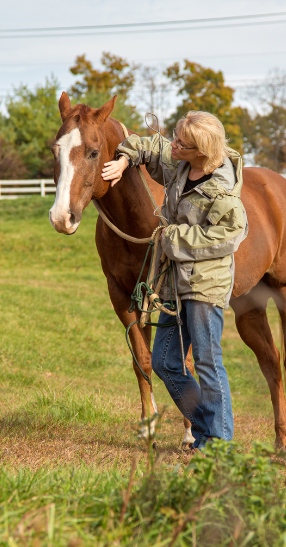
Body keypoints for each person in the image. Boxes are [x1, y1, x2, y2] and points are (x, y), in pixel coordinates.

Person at [101, 111, 248, 450]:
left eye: (183, 142)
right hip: (173, 284)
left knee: (208, 364)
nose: (175, 144)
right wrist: (125, 159)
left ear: (202, 151)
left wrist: (172, 237)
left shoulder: (220, 190)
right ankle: (205, 428)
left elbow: (231, 234)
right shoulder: (182, 163)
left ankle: (219, 443)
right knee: (167, 362)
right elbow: (152, 145)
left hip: (203, 286)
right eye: (178, 138)